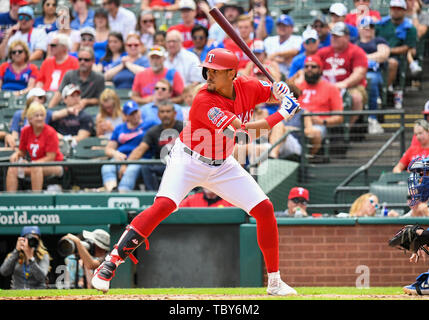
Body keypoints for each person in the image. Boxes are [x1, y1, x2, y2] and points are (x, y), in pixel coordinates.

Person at [91, 47, 301, 296]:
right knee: (164, 206)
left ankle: (275, 282)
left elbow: (280, 94)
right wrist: (282, 113)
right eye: (207, 70)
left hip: (222, 163)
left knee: (264, 210)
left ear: (232, 73)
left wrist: (281, 91)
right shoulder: (204, 100)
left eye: (216, 71)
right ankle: (110, 263)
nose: (209, 75)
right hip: (188, 160)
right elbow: (244, 133)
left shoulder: (249, 86)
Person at [316, 22, 368, 127]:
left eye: (338, 36)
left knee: (356, 98)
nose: (334, 39)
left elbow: (359, 72)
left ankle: (347, 127)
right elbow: (312, 68)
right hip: (326, 86)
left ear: (347, 37)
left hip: (351, 86)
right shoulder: (322, 52)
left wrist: (344, 84)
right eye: (333, 36)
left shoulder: (356, 51)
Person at [6, 102, 64, 192]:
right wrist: (16, 154)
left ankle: (36, 200)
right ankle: (10, 201)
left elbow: (50, 157)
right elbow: (22, 152)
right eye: (36, 116)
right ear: (30, 119)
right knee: (12, 169)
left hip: (54, 165)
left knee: (36, 168)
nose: (40, 118)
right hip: (33, 164)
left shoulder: (50, 132)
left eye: (42, 115)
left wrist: (32, 163)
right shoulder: (25, 131)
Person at [126, 101, 183, 191]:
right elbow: (140, 149)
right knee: (146, 166)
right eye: (162, 112)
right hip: (162, 164)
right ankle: (154, 195)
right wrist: (125, 164)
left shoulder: (184, 128)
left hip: (181, 164)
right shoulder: (153, 131)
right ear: (158, 115)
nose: (165, 115)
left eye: (168, 111)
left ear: (175, 113)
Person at [296, 55, 343, 156]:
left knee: (315, 132)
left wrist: (321, 121)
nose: (309, 69)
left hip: (317, 123)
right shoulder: (298, 86)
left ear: (320, 70)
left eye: (313, 67)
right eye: (306, 66)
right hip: (297, 121)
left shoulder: (331, 88)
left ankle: (307, 159)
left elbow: (339, 117)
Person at [375, 0, 417, 108]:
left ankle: (382, 90)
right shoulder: (381, 24)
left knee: (392, 63)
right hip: (377, 54)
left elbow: (408, 47)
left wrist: (388, 51)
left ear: (404, 10)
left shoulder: (410, 27)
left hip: (397, 57)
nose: (395, 11)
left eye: (399, 9)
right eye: (393, 8)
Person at [101, 100, 148, 192]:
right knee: (107, 166)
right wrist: (116, 154)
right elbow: (109, 149)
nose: (135, 116)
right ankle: (112, 191)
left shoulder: (148, 125)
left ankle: (123, 194)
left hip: (140, 158)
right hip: (122, 157)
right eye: (131, 114)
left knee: (131, 170)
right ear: (126, 116)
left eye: (136, 112)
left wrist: (126, 164)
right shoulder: (120, 128)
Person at [356, 16, 391, 134]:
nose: (368, 29)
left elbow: (383, 55)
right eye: (364, 27)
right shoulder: (355, 42)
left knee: (371, 81)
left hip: (373, 73)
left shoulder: (379, 41)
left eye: (371, 26)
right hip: (356, 74)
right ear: (359, 28)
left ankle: (373, 119)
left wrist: (361, 58)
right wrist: (368, 58)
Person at [263, 14, 302, 78]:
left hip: (289, 75)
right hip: (271, 75)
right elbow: (266, 58)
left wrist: (275, 54)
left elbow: (295, 52)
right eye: (279, 25)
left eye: (284, 26)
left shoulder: (297, 39)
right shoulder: (269, 40)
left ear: (291, 28)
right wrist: (284, 58)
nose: (281, 28)